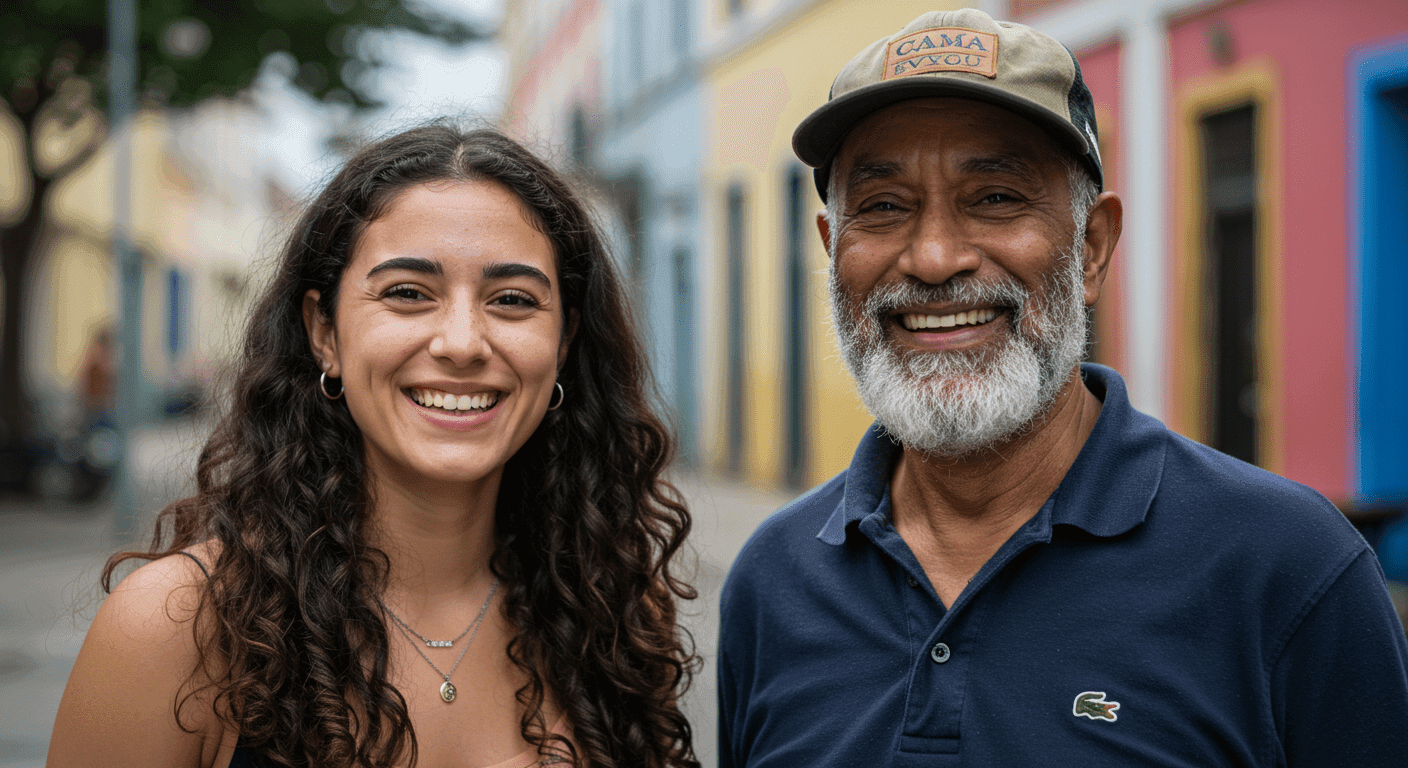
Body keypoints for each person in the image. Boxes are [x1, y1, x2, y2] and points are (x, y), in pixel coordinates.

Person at [717, 9, 1408, 766]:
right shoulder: (771, 586)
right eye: (883, 207)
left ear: (1091, 248)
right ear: (831, 250)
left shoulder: (1291, 573)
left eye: (997, 197)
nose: (935, 257)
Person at [50, 125, 700, 768]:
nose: (462, 342)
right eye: (408, 293)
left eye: (512, 299)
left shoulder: (612, 613)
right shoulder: (178, 631)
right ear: (324, 332)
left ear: (562, 344)